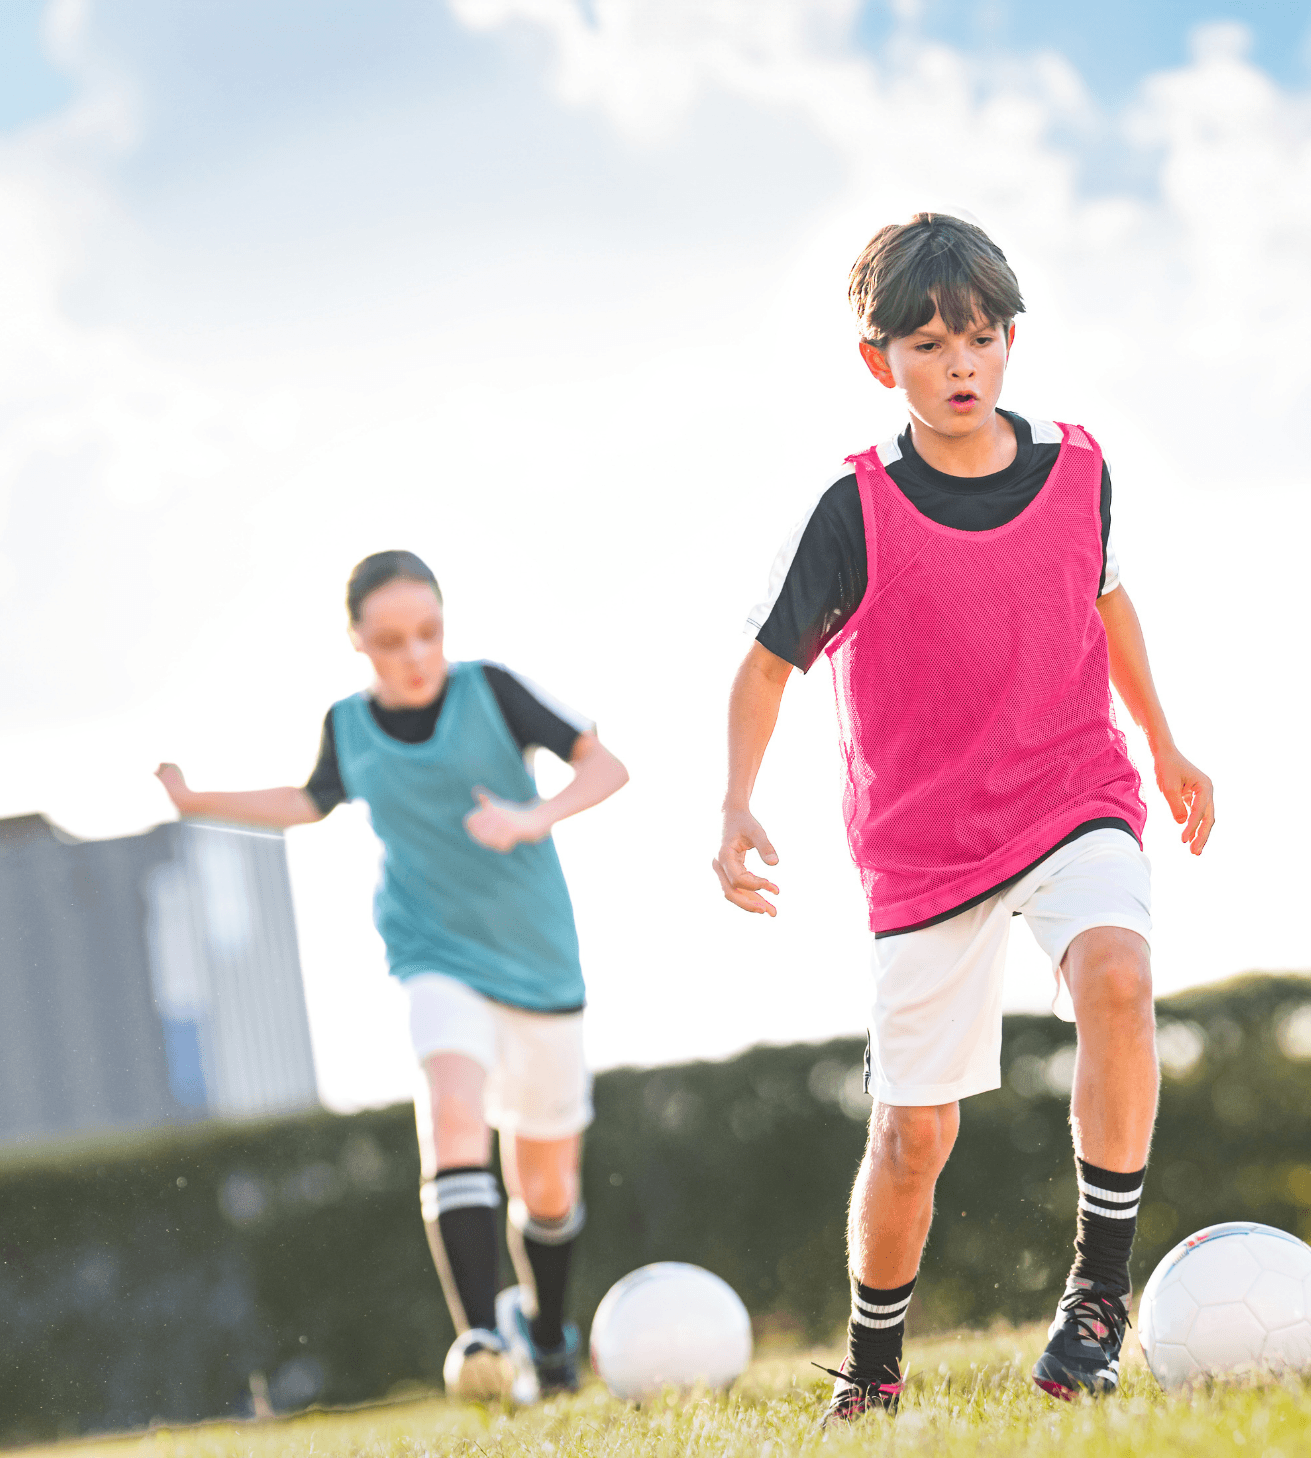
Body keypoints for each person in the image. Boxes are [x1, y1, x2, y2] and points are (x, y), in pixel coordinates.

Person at [713, 214, 1214, 1418]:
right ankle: (873, 1374)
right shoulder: (854, 511)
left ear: (1009, 341)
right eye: (930, 343)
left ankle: (1097, 1297)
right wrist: (734, 805)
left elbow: (1107, 603)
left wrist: (1163, 739)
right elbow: (768, 665)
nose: (961, 365)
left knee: (1118, 982)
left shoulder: (1080, 468)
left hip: (1073, 791)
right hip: (927, 850)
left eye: (981, 339)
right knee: (912, 1137)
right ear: (879, 359)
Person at [156, 550, 627, 1404]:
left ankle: (549, 1337)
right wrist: (199, 802)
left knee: (548, 1185)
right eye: (391, 640)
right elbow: (309, 801)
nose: (414, 654)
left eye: (428, 634)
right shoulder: (348, 725)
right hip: (431, 955)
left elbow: (605, 766)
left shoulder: (494, 690)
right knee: (451, 1107)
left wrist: (535, 814)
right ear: (358, 643)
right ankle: (481, 1335)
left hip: (541, 962)